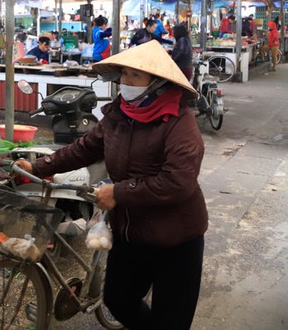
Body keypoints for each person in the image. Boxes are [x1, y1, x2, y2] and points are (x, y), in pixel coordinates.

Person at [15, 40, 207, 330]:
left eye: (135, 75)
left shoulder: (179, 122)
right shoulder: (119, 114)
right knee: (118, 300)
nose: (125, 82)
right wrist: (40, 167)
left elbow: (177, 182)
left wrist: (118, 192)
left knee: (171, 321)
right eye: (124, 74)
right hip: (130, 231)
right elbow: (85, 148)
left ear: (157, 83)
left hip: (175, 238)